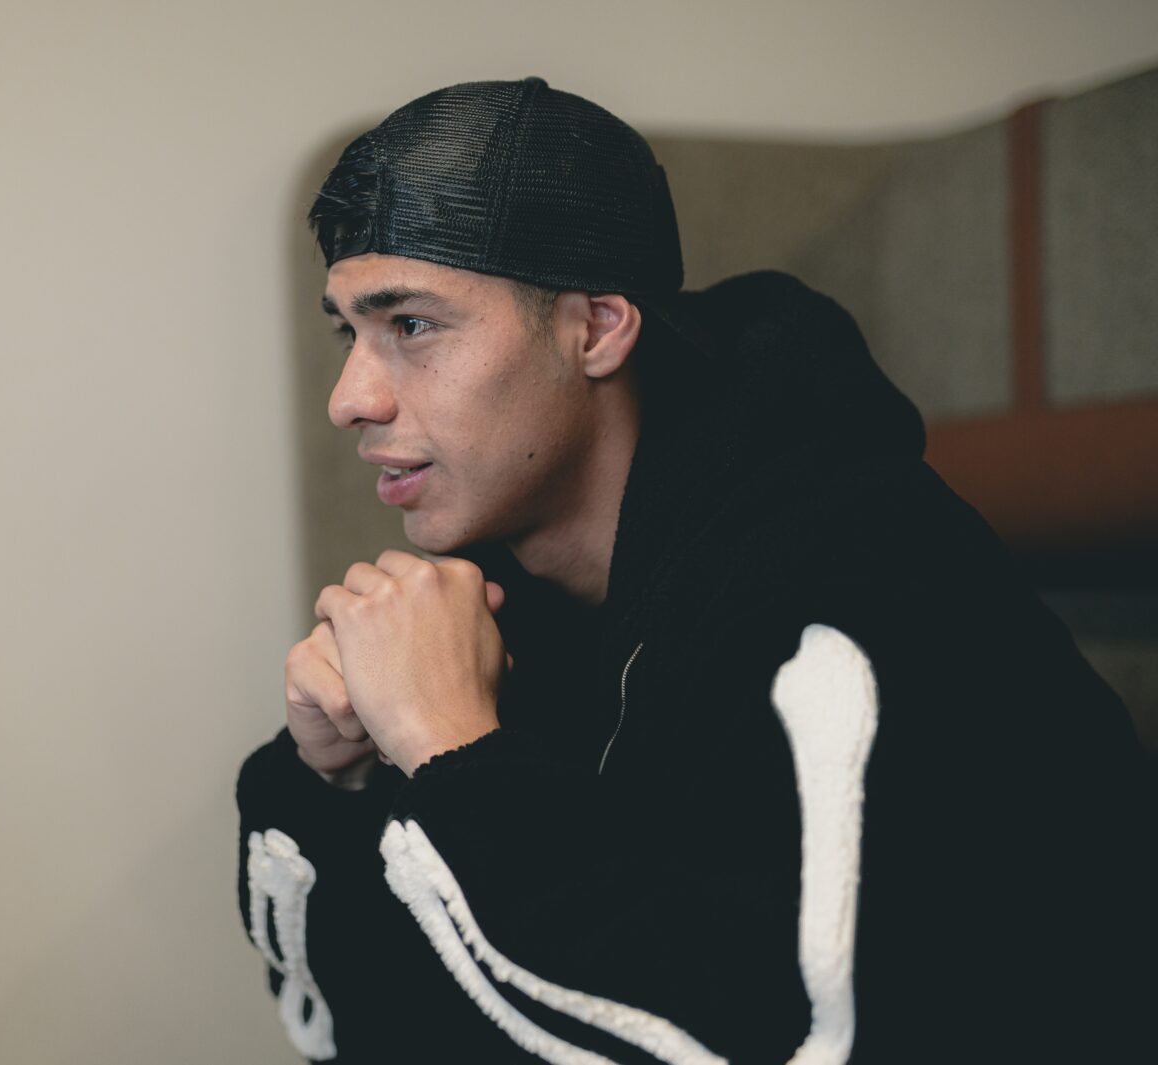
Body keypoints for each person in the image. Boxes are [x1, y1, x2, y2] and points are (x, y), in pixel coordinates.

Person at [235, 77, 1154, 1065]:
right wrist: (333, 784)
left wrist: (456, 757)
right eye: (350, 332)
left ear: (597, 327)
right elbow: (371, 1032)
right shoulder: (501, 612)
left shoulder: (856, 597)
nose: (349, 398)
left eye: (411, 325)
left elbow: (767, 1039)